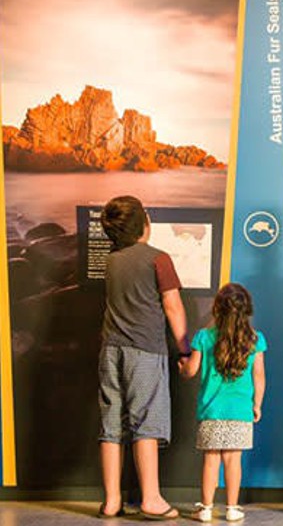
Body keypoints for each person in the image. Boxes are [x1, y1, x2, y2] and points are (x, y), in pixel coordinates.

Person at [97, 195, 189, 520]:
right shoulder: (158, 259)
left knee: (111, 424)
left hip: (110, 350)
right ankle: (151, 498)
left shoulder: (111, 261)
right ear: (144, 225)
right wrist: (184, 349)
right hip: (145, 351)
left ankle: (111, 500)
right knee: (146, 422)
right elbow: (173, 307)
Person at [180, 283, 267, 523]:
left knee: (211, 460)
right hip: (240, 411)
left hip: (211, 410)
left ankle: (206, 508)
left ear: (217, 309)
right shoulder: (255, 340)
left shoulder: (203, 337)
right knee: (233, 460)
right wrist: (257, 404)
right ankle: (231, 508)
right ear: (247, 310)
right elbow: (259, 376)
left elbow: (191, 370)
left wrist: (182, 367)